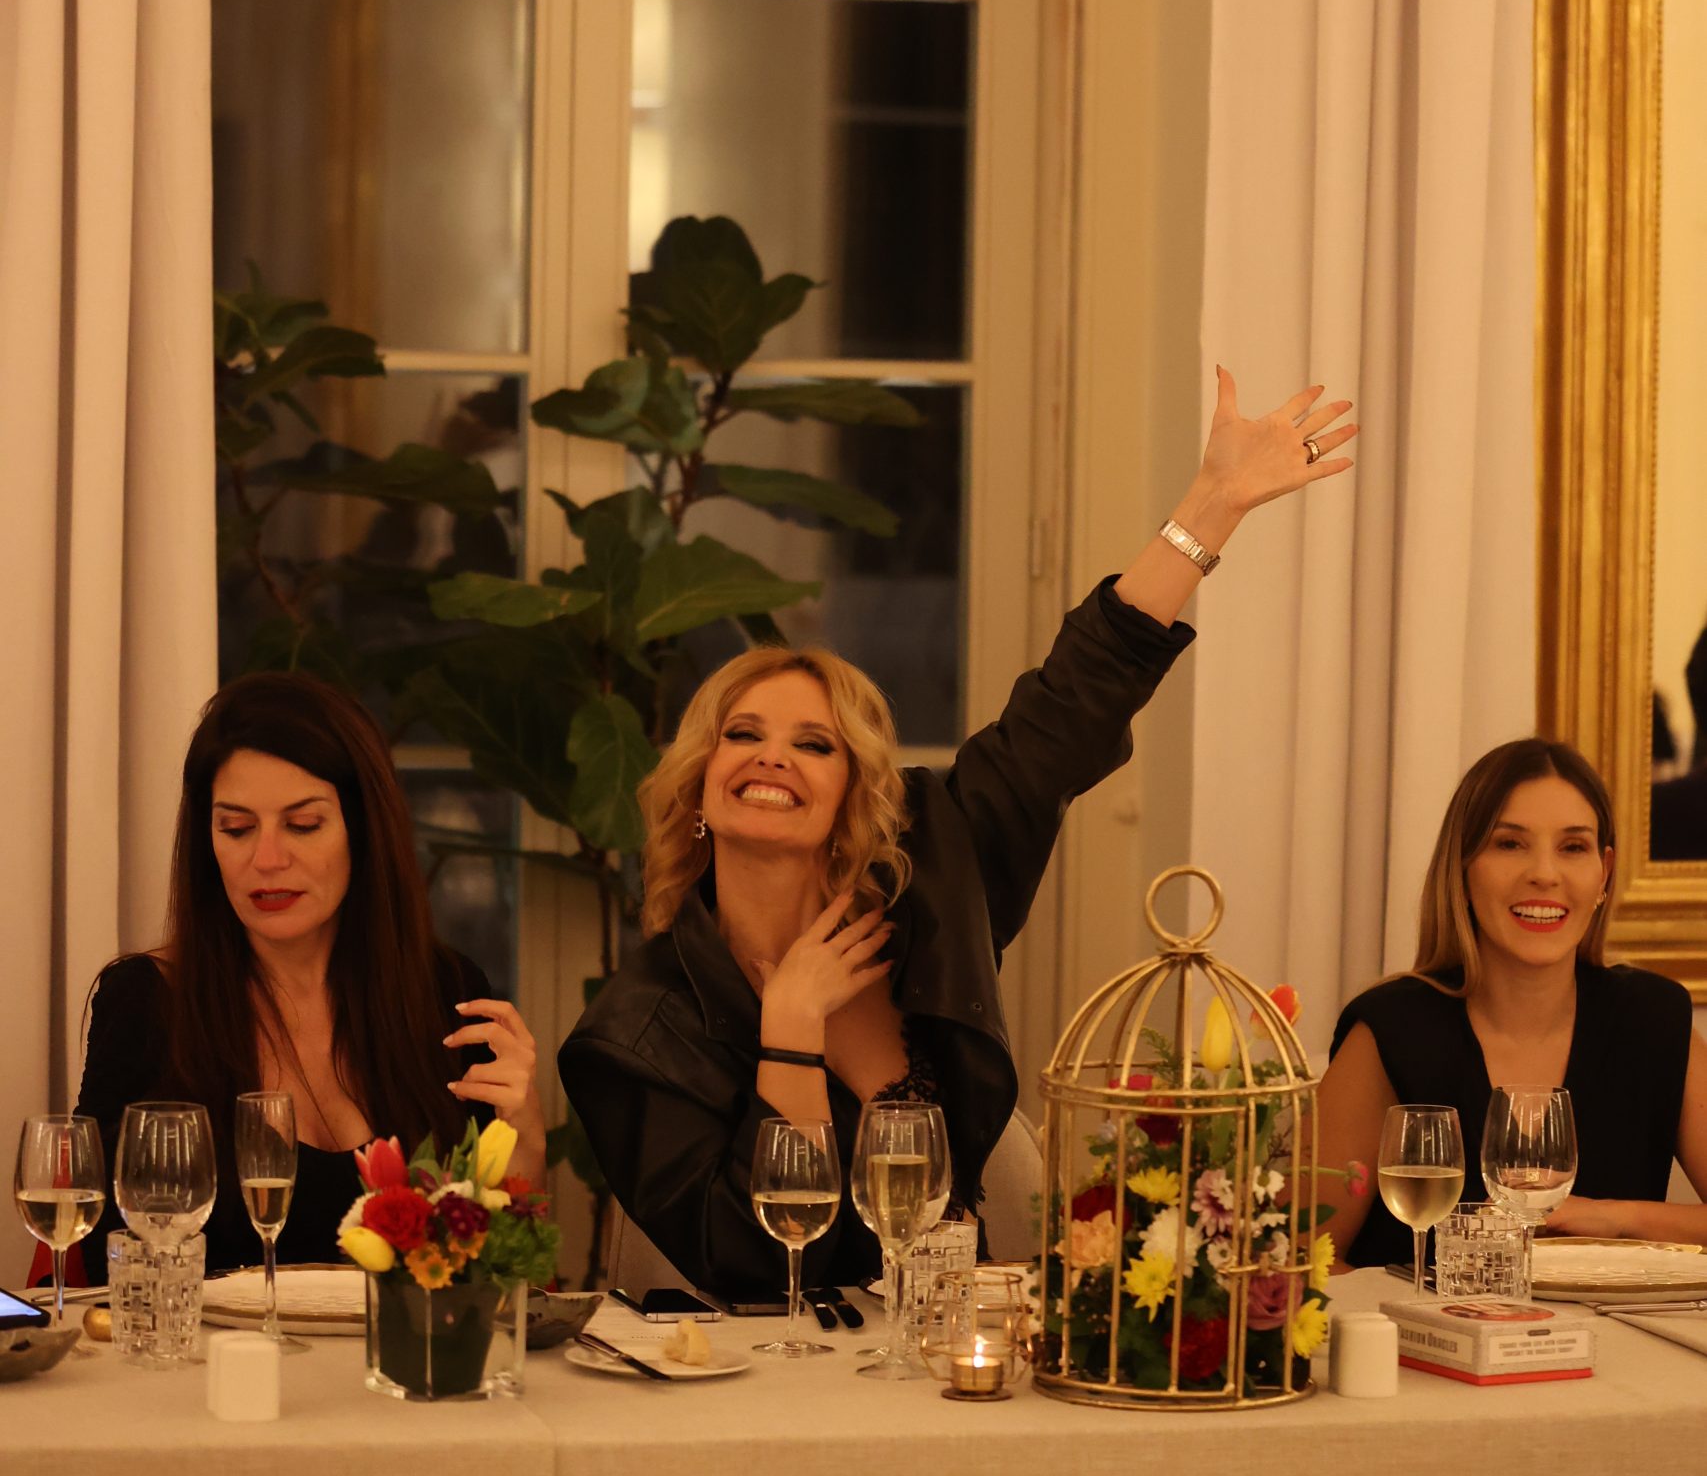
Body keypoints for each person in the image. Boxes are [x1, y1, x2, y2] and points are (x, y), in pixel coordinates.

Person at [560, 368, 1358, 1303]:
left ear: (851, 794)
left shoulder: (932, 880)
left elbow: (1066, 710)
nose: (772, 757)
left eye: (813, 744)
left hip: (959, 1344)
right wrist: (790, 1032)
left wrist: (1210, 506)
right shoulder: (633, 1033)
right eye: (742, 735)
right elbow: (757, 1272)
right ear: (700, 780)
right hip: (771, 1369)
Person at [73, 673, 548, 1281]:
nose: (267, 859)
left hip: (403, 1346)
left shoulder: (443, 990)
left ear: (364, 830)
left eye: (302, 825)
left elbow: (504, 1269)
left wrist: (524, 1136)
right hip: (205, 1344)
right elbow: (100, 1262)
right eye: (236, 828)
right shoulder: (147, 1001)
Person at [1317, 738, 1707, 1265]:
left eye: (1573, 847)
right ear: (1462, 868)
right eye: (1510, 844)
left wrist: (1613, 1219)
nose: (1544, 873)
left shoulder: (1653, 1019)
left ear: (1604, 873)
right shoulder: (1391, 1029)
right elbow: (1299, 1260)